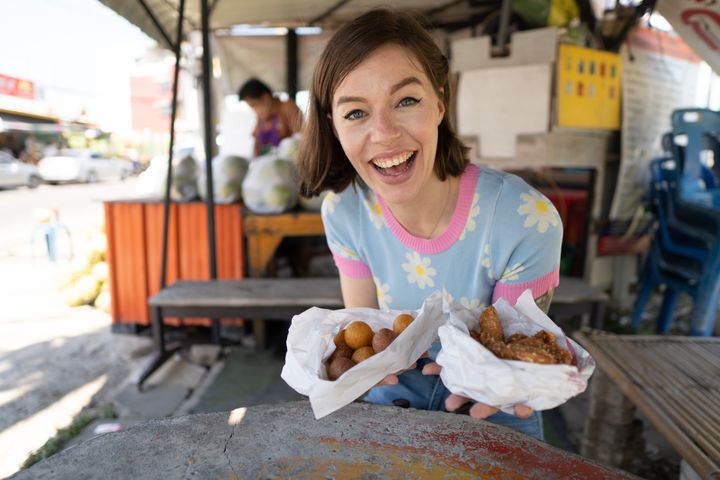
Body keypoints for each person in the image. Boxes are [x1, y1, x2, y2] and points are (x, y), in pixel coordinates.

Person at [296, 8, 563, 441]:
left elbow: (516, 352)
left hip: (492, 412)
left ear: (439, 103)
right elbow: (362, 330)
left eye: (406, 101)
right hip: (391, 403)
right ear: (333, 127)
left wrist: (509, 378)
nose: (383, 134)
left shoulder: (524, 220)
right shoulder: (343, 211)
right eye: (355, 113)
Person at [238, 78, 303, 157]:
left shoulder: (288, 107)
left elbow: (301, 138)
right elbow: (256, 142)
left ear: (266, 98)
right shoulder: (261, 118)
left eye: (254, 105)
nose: (254, 110)